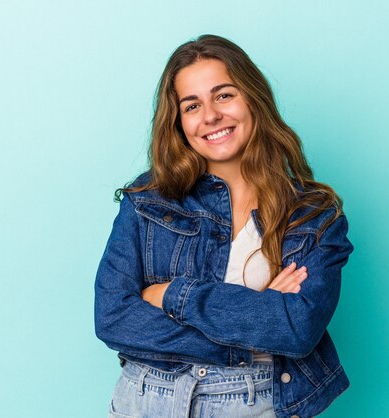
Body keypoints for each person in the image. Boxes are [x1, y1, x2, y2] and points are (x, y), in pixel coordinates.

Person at [94, 34, 354, 418]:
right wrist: (255, 323)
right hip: (146, 400)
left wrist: (171, 296)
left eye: (224, 95)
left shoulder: (312, 215)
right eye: (192, 105)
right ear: (180, 123)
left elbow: (297, 330)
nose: (210, 116)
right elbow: (112, 317)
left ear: (252, 98)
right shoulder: (149, 199)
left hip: (252, 404)